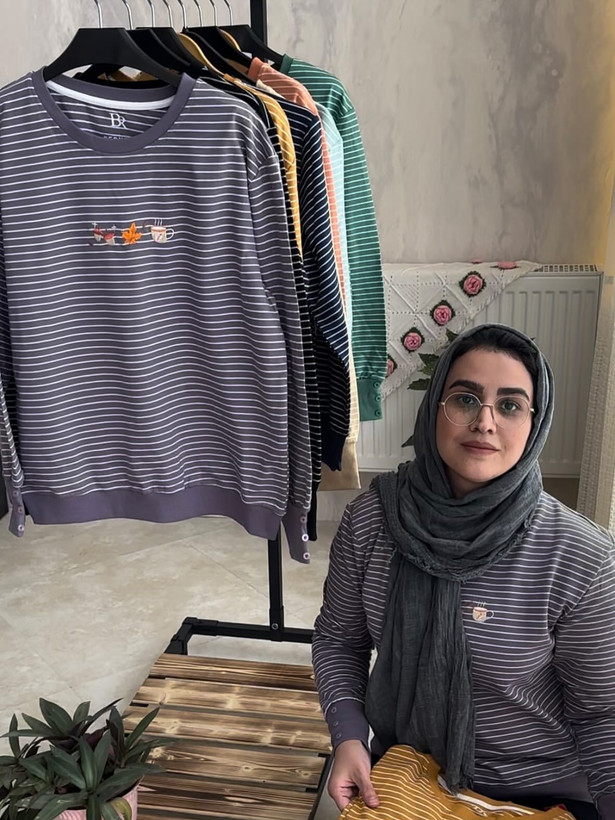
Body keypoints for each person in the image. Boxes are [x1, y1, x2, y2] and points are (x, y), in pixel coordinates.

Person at [312, 324, 615, 820]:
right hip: (409, 773)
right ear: (435, 407)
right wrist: (348, 737)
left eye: (510, 405)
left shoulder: (580, 556)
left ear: (535, 423)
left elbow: (602, 713)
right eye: (465, 399)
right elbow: (339, 640)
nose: (485, 422)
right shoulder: (371, 520)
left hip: (540, 792)